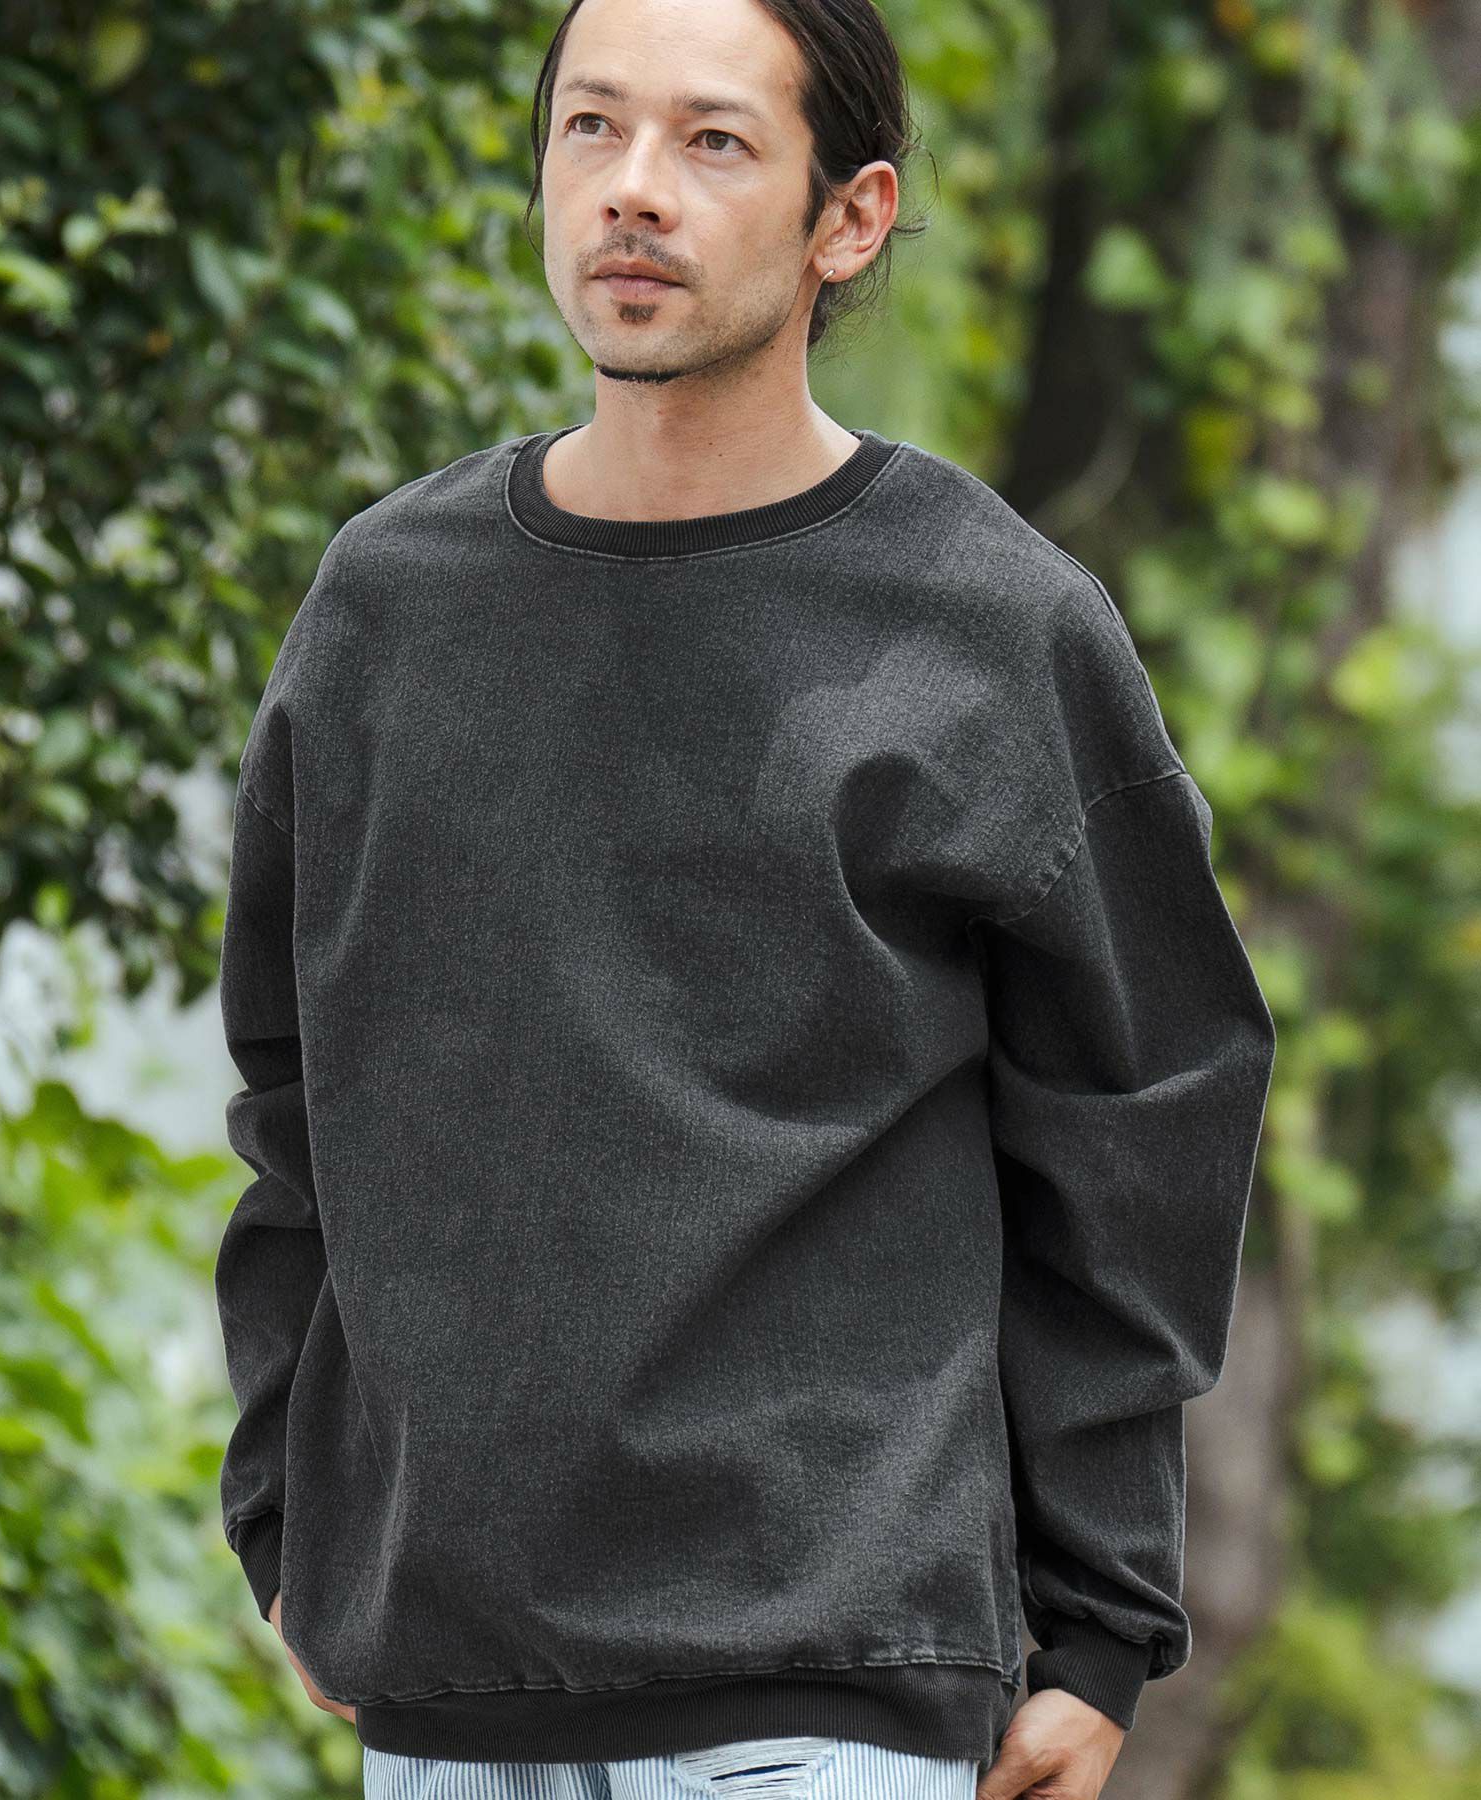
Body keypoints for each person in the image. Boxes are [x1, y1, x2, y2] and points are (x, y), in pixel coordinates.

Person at [212, 0, 1277, 1795]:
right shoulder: (389, 607)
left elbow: (1145, 1123)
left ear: (847, 217)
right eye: (592, 127)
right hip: (451, 1700)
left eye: (713, 141)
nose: (633, 189)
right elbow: (294, 1092)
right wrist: (285, 1517)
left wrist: (1100, 1623)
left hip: (827, 1684)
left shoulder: (992, 628)